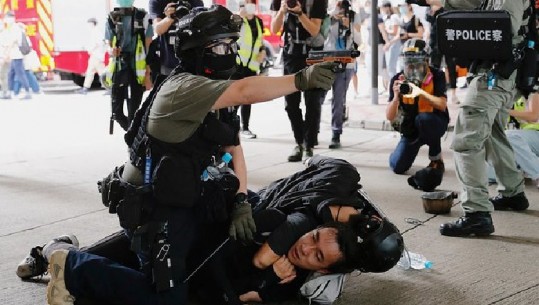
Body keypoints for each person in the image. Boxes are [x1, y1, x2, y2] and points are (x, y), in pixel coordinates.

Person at [40, 5, 337, 305]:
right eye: (221, 45)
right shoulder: (184, 87)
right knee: (170, 300)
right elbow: (246, 90)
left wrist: (241, 200)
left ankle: (67, 258)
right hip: (153, 204)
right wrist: (300, 80)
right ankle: (70, 266)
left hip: (182, 196)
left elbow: (233, 147)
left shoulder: (213, 89)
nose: (229, 52)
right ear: (197, 50)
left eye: (232, 44)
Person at [17, 156, 403, 305]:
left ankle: (62, 257)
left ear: (327, 269)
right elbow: (245, 254)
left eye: (319, 255)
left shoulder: (315, 281)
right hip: (203, 228)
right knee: (161, 292)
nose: (309, 248)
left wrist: (260, 292)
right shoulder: (319, 205)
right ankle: (58, 255)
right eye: (317, 236)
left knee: (150, 286)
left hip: (202, 253)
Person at [425, 0, 531, 237]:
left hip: (494, 76)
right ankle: (513, 193)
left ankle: (476, 214)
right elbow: (475, 4)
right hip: (500, 75)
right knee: (494, 133)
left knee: (465, 140)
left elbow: (503, 32)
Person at [270, 0, 329, 162]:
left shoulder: (317, 2)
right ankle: (299, 142)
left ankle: (309, 145)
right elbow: (274, 30)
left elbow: (315, 30)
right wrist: (282, 11)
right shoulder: (280, 2)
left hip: (313, 57)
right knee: (290, 104)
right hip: (291, 56)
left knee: (312, 103)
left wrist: (300, 13)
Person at [385, 38, 448, 183]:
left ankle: (436, 158)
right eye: (408, 64)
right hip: (410, 129)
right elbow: (389, 116)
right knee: (397, 167)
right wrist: (396, 97)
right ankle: (399, 152)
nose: (412, 68)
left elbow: (442, 105)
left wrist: (420, 92)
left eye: (417, 63)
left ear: (426, 62)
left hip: (433, 122)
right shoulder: (398, 79)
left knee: (424, 119)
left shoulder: (437, 75)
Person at [105, 0, 153, 131]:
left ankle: (133, 142)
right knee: (117, 113)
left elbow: (148, 45)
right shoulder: (112, 17)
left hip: (137, 70)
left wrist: (148, 74)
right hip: (119, 67)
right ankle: (134, 135)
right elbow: (108, 44)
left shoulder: (143, 17)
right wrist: (112, 50)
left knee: (134, 112)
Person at [323, 0, 360, 149]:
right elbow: (322, 36)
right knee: (318, 97)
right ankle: (312, 133)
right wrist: (332, 19)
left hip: (346, 64)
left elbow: (359, 40)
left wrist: (348, 26)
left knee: (338, 100)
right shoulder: (327, 17)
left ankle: (336, 133)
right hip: (327, 61)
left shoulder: (353, 16)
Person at [487, 93, 539, 189]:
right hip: (521, 142)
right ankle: (520, 169)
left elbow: (533, 116)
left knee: (509, 136)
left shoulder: (533, 91)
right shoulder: (507, 96)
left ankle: (536, 172)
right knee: (486, 172)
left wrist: (504, 110)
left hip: (535, 135)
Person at [149, 0, 204, 84]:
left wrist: (188, 14)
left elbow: (201, 26)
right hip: (169, 61)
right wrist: (170, 17)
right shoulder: (157, 1)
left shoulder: (194, 1)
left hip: (192, 61)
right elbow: (158, 29)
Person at [234, 0, 266, 139]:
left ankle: (245, 127)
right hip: (238, 64)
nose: (249, 5)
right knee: (234, 97)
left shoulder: (258, 21)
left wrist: (263, 51)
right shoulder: (238, 20)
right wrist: (239, 17)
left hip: (252, 66)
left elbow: (260, 41)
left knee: (248, 98)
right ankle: (231, 125)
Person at [426, 4, 460, 104]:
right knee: (434, 68)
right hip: (434, 43)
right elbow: (430, 24)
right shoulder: (428, 9)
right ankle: (434, 92)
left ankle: (453, 94)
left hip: (447, 41)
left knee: (451, 68)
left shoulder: (445, 8)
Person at [3, 11, 31, 100]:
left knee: (20, 74)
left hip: (17, 55)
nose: (6, 20)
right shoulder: (12, 28)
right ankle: (10, 93)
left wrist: (6, 54)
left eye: (7, 18)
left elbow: (12, 42)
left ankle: (27, 92)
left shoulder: (15, 28)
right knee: (11, 74)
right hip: (14, 55)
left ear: (11, 18)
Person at [76, 18, 107, 95]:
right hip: (95, 55)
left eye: (89, 24)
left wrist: (91, 49)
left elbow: (98, 43)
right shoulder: (95, 31)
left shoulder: (96, 32)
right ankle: (85, 88)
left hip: (97, 55)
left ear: (93, 23)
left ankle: (109, 87)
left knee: (101, 72)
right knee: (91, 71)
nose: (88, 26)